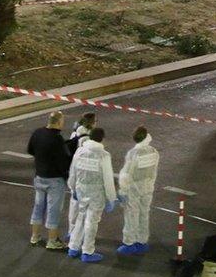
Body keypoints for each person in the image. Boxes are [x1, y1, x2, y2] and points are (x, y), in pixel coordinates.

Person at [67, 127, 119, 263]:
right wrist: (111, 198)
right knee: (92, 221)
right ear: (102, 139)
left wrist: (72, 188)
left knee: (80, 217)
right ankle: (87, 251)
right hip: (97, 193)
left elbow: (73, 171)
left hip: (81, 189)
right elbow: (108, 179)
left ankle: (73, 246)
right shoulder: (103, 155)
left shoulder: (80, 151)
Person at [27, 111, 72, 251]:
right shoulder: (57, 139)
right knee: (53, 210)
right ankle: (52, 240)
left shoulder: (37, 133)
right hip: (54, 180)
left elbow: (30, 150)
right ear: (59, 122)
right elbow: (64, 160)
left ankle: (35, 236)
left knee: (38, 206)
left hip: (40, 177)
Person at [116, 126, 160, 255]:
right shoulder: (154, 151)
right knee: (144, 213)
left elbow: (126, 174)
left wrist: (122, 191)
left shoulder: (133, 153)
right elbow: (154, 171)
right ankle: (142, 240)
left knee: (131, 215)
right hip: (148, 187)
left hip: (133, 189)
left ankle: (129, 242)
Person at [65, 112, 97, 240]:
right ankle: (80, 236)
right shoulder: (87, 139)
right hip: (84, 176)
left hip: (74, 173)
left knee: (74, 206)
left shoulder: (74, 134)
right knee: (85, 209)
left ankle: (71, 231)